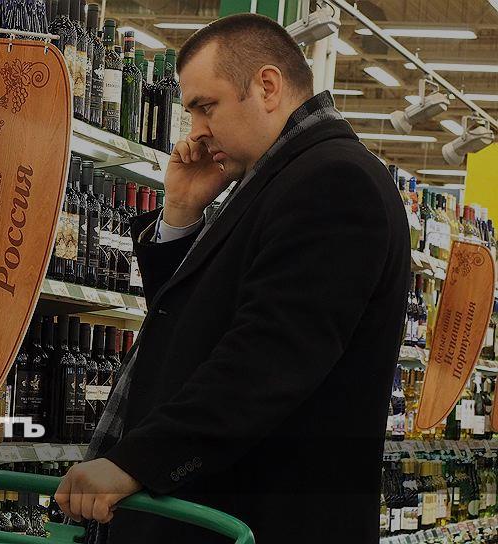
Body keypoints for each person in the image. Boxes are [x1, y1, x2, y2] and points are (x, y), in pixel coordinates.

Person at [54, 13, 410, 543]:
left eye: (206, 106)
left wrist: (137, 462)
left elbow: (268, 359)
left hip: (258, 521)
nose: (195, 130)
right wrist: (181, 213)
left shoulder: (334, 181)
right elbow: (191, 329)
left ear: (267, 86)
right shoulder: (280, 179)